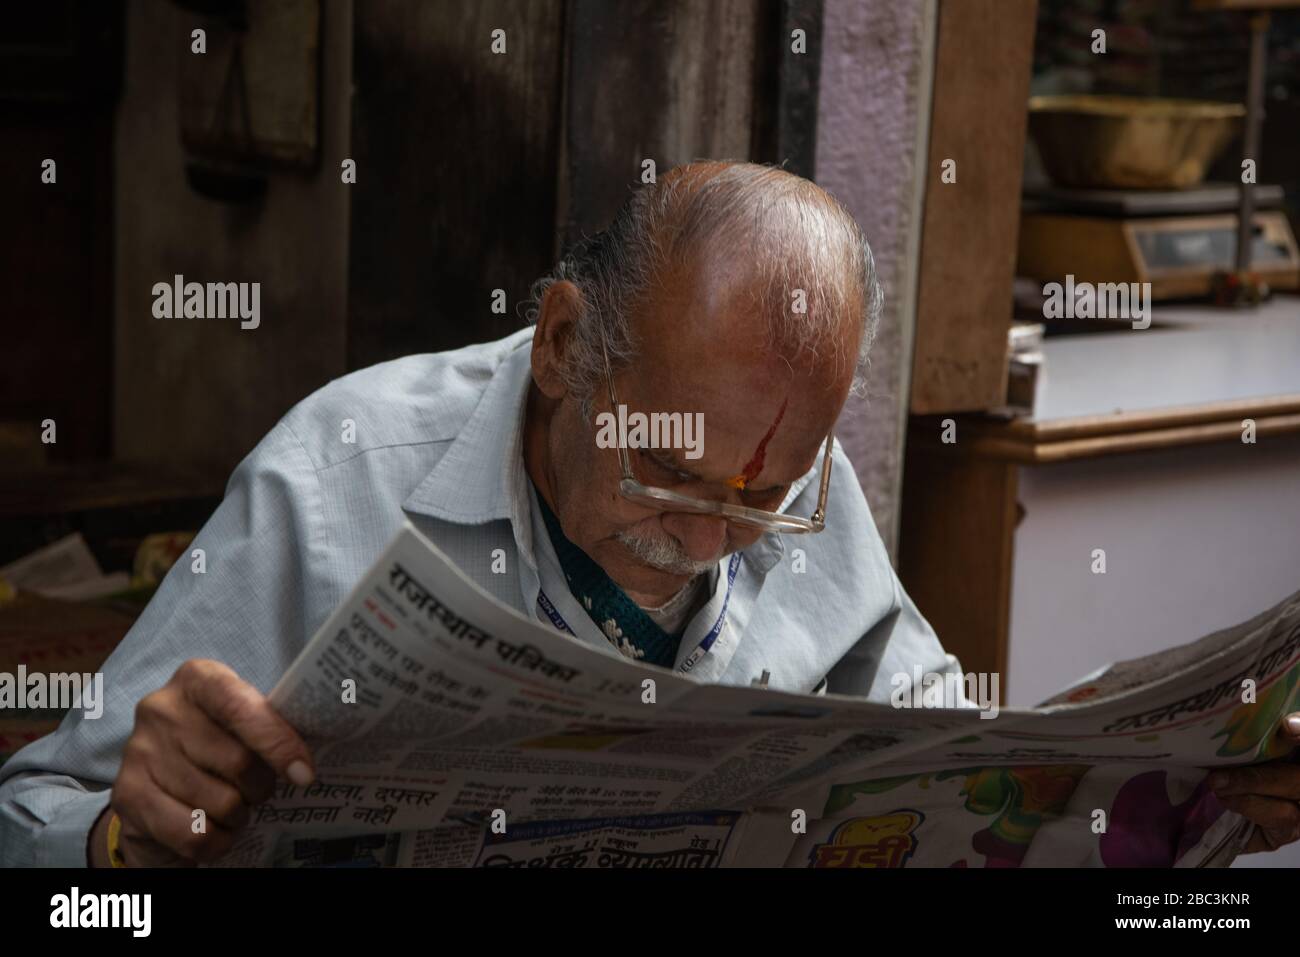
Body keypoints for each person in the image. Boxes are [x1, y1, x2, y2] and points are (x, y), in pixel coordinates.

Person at [2, 162, 1295, 866]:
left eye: (768, 499)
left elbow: (950, 763)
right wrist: (123, 841)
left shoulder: (798, 484)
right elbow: (33, 845)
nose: (714, 538)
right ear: (565, 343)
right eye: (672, 474)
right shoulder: (334, 477)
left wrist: (1191, 797)